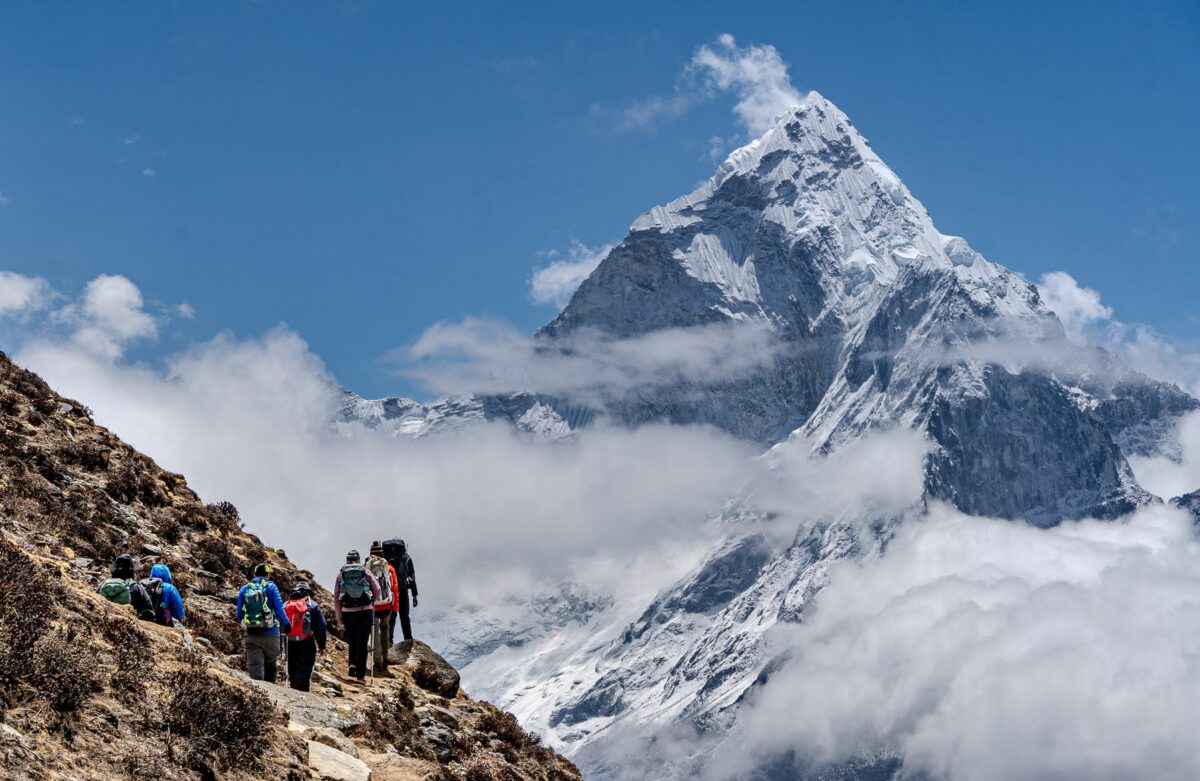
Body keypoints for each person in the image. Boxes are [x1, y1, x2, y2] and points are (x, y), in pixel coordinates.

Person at [236, 563, 291, 683]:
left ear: (254, 574)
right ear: (268, 575)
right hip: (271, 633)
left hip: (252, 634)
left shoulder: (245, 589)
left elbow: (239, 614)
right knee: (271, 663)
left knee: (255, 668)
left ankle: (259, 696)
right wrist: (286, 624)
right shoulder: (271, 587)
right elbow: (279, 608)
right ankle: (271, 694)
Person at [333, 550, 380, 681]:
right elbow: (377, 591)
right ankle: (360, 675)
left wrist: (339, 617)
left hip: (348, 612)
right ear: (359, 560)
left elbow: (337, 598)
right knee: (363, 642)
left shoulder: (341, 575)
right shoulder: (366, 572)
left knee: (352, 640)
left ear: (347, 560)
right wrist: (372, 600)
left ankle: (352, 665)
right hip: (365, 611)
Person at [283, 581, 327, 692]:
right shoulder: (312, 605)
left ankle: (293, 690)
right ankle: (302, 693)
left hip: (289, 641)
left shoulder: (286, 604)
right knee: (305, 668)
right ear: (308, 592)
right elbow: (321, 626)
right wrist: (322, 646)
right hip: (306, 641)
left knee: (292, 668)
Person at [365, 541, 398, 675]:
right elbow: (395, 589)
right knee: (385, 631)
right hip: (386, 606)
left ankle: (377, 662)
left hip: (373, 605)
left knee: (375, 633)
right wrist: (395, 608)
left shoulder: (367, 567)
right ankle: (385, 659)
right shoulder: (389, 568)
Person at [381, 538, 419, 642]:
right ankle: (408, 639)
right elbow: (412, 576)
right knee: (404, 617)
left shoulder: (385, 558)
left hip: (389, 592)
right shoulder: (406, 558)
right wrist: (414, 595)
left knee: (391, 617)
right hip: (403, 591)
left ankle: (389, 641)